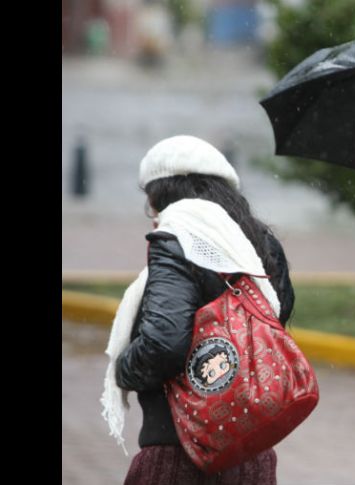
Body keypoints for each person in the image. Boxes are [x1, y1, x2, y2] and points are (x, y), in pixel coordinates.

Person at [100, 135, 294, 484]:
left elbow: (163, 343)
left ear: (163, 195)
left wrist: (122, 369)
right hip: (252, 454)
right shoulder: (259, 243)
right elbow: (278, 317)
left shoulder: (177, 238)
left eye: (151, 204)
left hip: (182, 456)